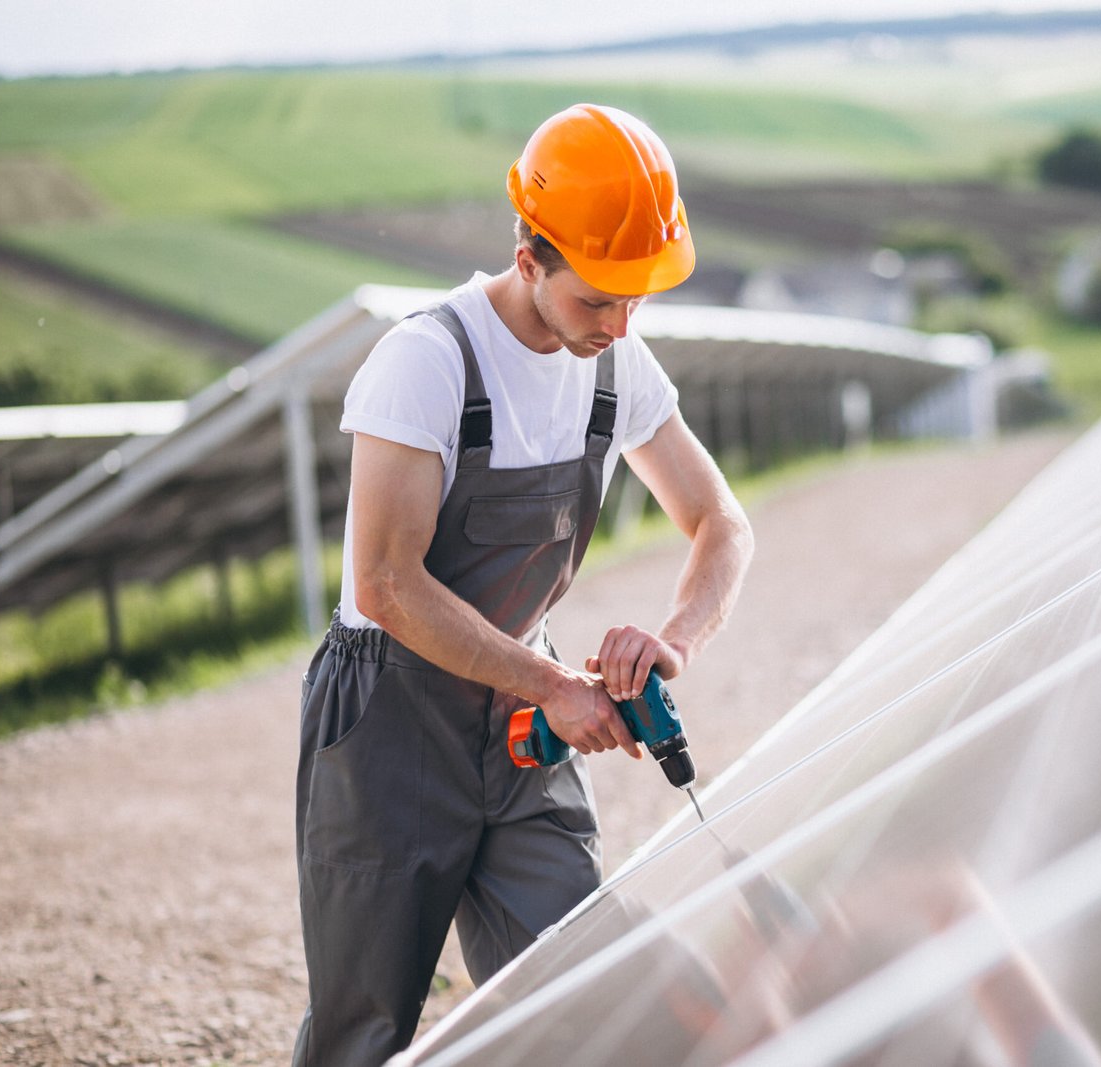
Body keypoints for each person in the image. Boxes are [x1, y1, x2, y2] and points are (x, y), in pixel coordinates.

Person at [291, 103, 755, 1066]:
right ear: (530, 254)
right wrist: (553, 687)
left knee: (591, 986)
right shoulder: (425, 364)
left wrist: (674, 640)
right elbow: (385, 584)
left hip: (519, 729)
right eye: (599, 300)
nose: (621, 325)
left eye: (637, 300)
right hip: (388, 723)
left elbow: (722, 523)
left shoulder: (616, 364)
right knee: (365, 1028)